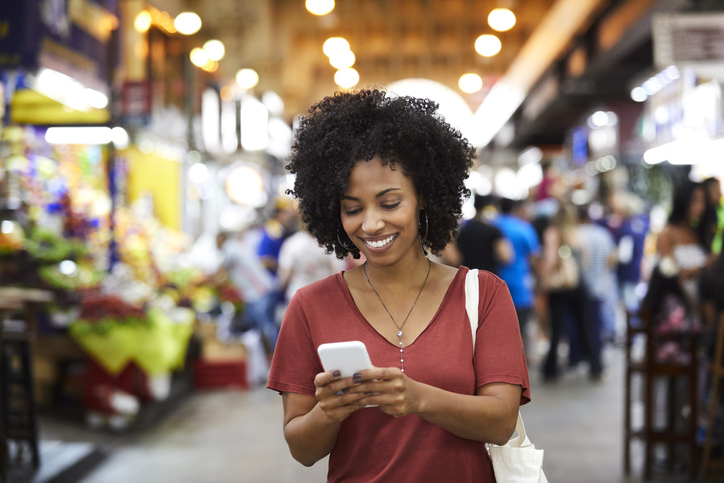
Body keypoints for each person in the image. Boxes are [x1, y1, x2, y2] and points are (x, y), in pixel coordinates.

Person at [267, 90, 530, 482]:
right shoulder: (310, 306)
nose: (370, 224)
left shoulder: (483, 294)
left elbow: (501, 421)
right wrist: (330, 412)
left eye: (389, 203)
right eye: (352, 209)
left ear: (423, 197)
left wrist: (417, 397)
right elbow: (302, 450)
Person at [540, 202, 602, 381]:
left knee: (556, 330)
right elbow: (586, 261)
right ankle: (595, 366)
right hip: (578, 286)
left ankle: (550, 369)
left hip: (559, 288)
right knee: (585, 327)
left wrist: (543, 277)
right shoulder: (578, 233)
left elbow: (550, 260)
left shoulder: (552, 233)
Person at [208, 232, 279, 357]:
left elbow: (220, 272)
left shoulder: (230, 249)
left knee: (267, 328)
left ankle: (280, 359)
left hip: (260, 291)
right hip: (256, 293)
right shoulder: (235, 248)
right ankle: (268, 362)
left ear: (222, 239)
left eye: (216, 241)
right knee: (258, 330)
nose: (215, 244)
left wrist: (203, 281)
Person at [493, 197, 541, 355]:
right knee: (519, 328)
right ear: (516, 209)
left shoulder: (492, 225)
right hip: (520, 286)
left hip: (492, 285)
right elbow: (535, 258)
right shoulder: (524, 228)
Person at [277, 217, 346, 303]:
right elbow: (338, 272)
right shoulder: (329, 243)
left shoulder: (291, 243)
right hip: (324, 296)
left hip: (298, 297)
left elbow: (284, 277)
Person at [456, 194, 512, 275]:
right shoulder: (494, 230)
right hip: (488, 278)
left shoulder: (463, 230)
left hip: (466, 277)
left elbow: (455, 259)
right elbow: (505, 257)